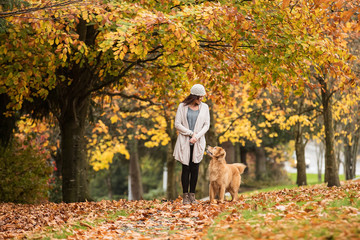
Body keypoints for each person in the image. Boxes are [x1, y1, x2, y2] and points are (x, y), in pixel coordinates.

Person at [173, 84, 210, 204]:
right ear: (194, 96)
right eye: (200, 97)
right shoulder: (182, 107)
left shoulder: (205, 107)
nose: (202, 99)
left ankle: (192, 195)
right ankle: (185, 196)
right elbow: (177, 124)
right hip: (185, 141)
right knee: (186, 168)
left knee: (195, 168)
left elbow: (206, 125)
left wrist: (197, 136)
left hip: (198, 142)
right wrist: (190, 133)